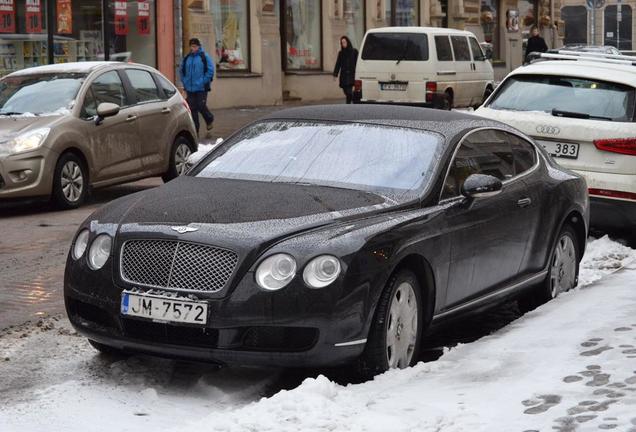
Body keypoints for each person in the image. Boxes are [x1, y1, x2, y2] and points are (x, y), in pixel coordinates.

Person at [180, 38, 215, 136]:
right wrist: (185, 81)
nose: (193, 48)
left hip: (201, 88)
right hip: (190, 88)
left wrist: (202, 81)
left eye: (195, 46)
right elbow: (181, 70)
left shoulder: (204, 56)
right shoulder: (187, 57)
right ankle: (196, 130)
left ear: (199, 46)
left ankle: (209, 119)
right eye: (192, 46)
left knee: (201, 105)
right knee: (192, 109)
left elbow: (210, 71)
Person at [333, 36, 358, 104]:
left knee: (349, 92)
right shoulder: (341, 53)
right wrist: (335, 74)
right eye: (342, 43)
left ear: (348, 42)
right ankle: (354, 101)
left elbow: (357, 63)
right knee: (346, 91)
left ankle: (348, 105)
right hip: (343, 76)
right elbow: (338, 64)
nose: (343, 44)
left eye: (344, 42)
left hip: (351, 75)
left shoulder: (354, 52)